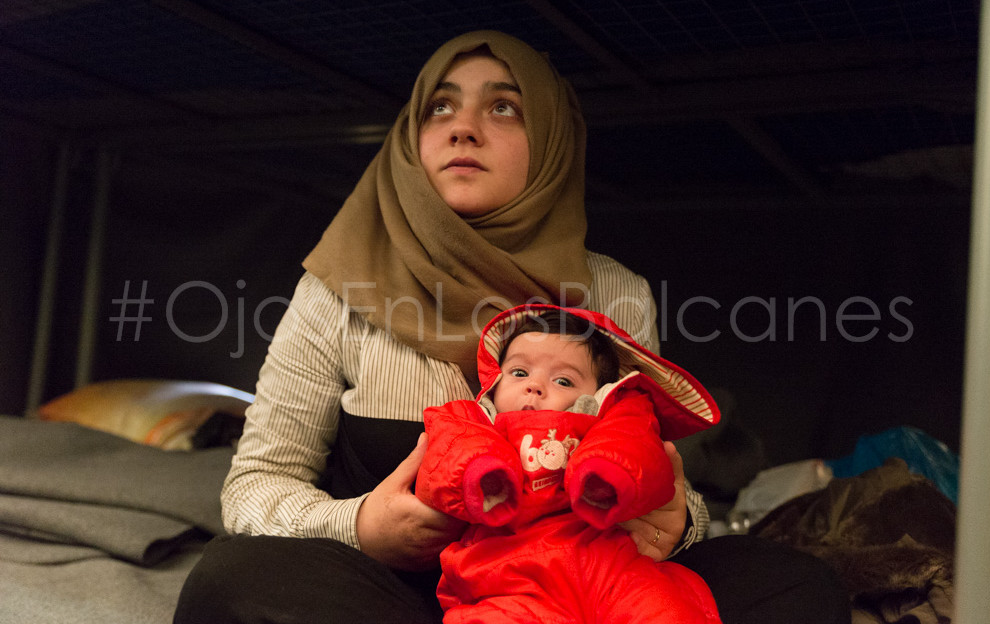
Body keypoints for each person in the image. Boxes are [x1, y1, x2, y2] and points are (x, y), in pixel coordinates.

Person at [174, 30, 850, 624]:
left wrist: (677, 526)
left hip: (585, 588)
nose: (462, 128)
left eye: (503, 107)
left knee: (796, 586)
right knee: (232, 582)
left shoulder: (615, 293)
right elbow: (255, 487)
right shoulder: (335, 290)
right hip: (393, 594)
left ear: (553, 142)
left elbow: (660, 478)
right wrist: (360, 526)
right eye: (439, 106)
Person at [416, 304, 722, 623]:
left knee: (661, 607)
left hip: (604, 559)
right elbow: (446, 455)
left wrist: (608, 474)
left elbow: (637, 447)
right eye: (519, 373)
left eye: (563, 381)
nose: (534, 386)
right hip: (507, 572)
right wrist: (480, 472)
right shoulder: (476, 420)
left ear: (599, 395)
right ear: (494, 380)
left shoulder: (610, 416)